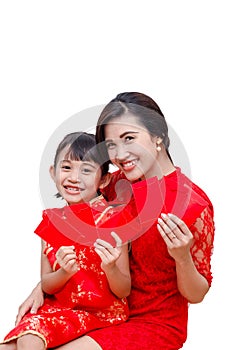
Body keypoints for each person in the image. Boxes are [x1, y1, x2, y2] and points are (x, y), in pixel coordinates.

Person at [13, 92, 215, 350]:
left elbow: (196, 294)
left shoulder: (193, 204)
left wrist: (182, 256)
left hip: (153, 324)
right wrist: (44, 286)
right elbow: (72, 230)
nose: (119, 154)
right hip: (100, 309)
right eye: (110, 145)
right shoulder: (118, 182)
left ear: (159, 137)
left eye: (129, 138)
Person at [0, 132, 131, 349]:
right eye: (67, 167)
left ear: (104, 179)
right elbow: (47, 284)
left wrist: (110, 268)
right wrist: (64, 272)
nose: (74, 177)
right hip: (60, 309)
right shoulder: (52, 220)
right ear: (53, 172)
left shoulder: (113, 220)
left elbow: (123, 289)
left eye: (87, 170)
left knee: (29, 340)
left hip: (101, 313)